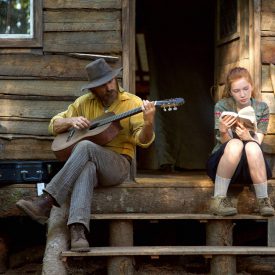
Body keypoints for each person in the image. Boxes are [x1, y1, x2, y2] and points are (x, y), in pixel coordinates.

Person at [16, 58, 156, 251]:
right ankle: (78, 230)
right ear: (92, 89)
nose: (108, 87)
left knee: (84, 146)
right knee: (86, 167)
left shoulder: (132, 102)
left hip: (118, 165)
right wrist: (71, 121)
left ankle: (46, 201)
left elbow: (144, 140)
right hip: (89, 163)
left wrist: (148, 123)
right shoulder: (83, 103)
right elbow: (54, 124)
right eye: (102, 85)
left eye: (110, 81)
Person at [206, 67, 274, 217]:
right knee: (235, 144)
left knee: (251, 146)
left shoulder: (261, 108)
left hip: (251, 167)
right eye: (236, 91)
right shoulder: (222, 106)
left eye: (245, 88)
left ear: (252, 86)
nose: (242, 94)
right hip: (224, 165)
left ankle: (263, 200)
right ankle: (218, 200)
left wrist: (247, 137)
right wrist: (224, 131)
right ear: (230, 92)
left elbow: (258, 141)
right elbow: (226, 145)